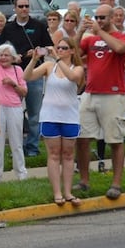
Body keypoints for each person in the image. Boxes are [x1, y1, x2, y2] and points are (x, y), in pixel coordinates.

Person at [77, 3, 125, 199]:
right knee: (81, 137)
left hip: (113, 94)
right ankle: (84, 180)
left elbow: (120, 48)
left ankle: (116, 183)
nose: (98, 21)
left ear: (111, 18)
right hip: (90, 93)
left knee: (115, 140)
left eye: (102, 17)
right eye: (96, 17)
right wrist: (79, 32)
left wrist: (100, 32)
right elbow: (74, 53)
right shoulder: (91, 39)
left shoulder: (121, 37)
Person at [25, 37, 83, 203]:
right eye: (59, 47)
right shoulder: (49, 66)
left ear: (72, 50)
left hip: (69, 116)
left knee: (68, 154)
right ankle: (57, 193)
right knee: (54, 154)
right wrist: (34, 60)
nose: (61, 50)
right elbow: (27, 76)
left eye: (64, 48)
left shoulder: (77, 68)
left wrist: (57, 57)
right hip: (50, 115)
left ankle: (68, 192)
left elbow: (72, 77)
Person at [0, 0, 53, 158]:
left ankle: (33, 147)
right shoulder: (8, 28)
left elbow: (49, 48)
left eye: (26, 6)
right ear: (15, 8)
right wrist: (14, 58)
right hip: (13, 73)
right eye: (20, 6)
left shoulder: (38, 26)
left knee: (35, 113)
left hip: (34, 73)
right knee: (15, 113)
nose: (24, 9)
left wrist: (37, 52)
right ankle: (17, 147)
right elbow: (1, 50)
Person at [0, 42, 28, 182]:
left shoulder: (18, 70)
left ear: (12, 57)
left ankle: (21, 173)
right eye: (1, 55)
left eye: (6, 55)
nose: (3, 58)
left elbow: (24, 92)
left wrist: (13, 84)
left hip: (15, 107)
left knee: (16, 142)